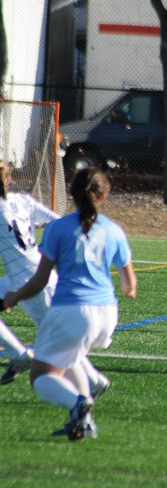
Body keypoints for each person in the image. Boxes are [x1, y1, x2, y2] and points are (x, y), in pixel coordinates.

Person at [4, 167, 137, 440]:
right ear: (103, 196)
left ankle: (79, 402)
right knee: (71, 354)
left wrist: (15, 296)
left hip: (73, 310)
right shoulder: (114, 230)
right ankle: (84, 422)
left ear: (72, 194)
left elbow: (40, 281)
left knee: (40, 376)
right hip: (107, 315)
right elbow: (129, 287)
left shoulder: (58, 228)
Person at [0, 160, 110, 400]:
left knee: (60, 341)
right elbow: (59, 222)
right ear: (9, 180)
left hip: (30, 283)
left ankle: (95, 382)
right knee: (60, 338)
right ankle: (18, 355)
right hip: (36, 272)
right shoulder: (23, 201)